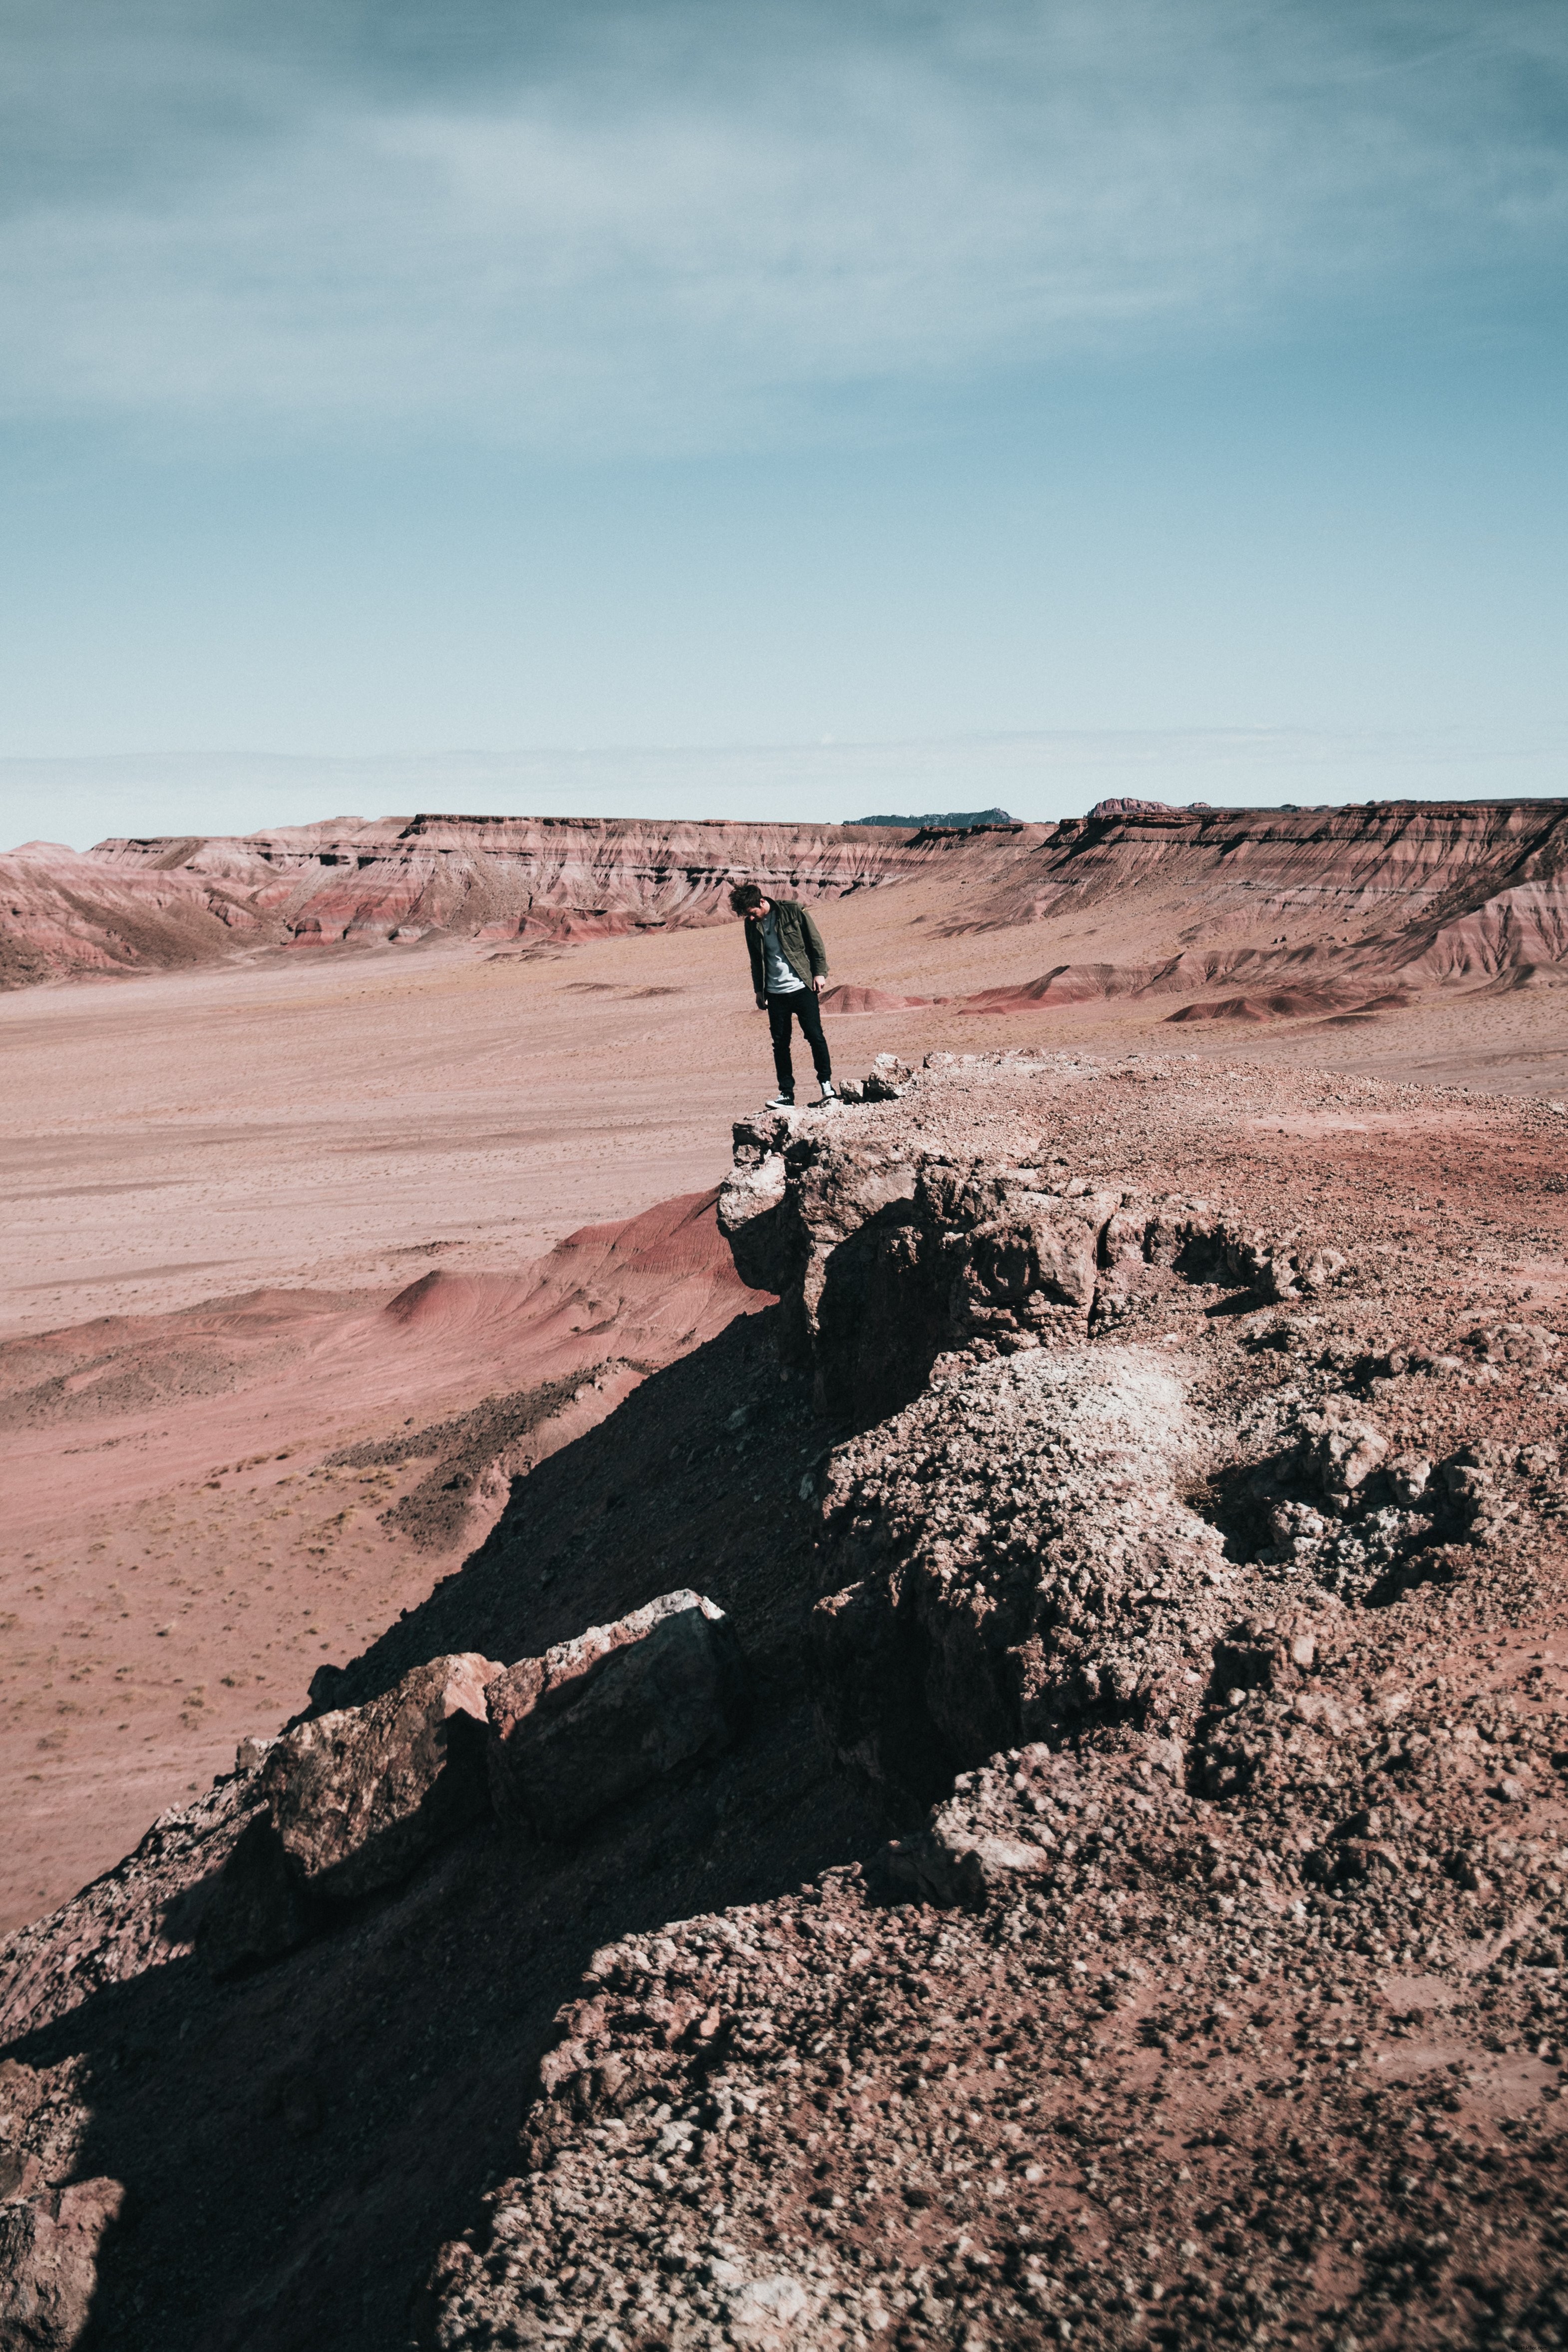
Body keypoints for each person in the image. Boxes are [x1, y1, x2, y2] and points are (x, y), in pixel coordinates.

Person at [728, 881, 838, 1109]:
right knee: (780, 1044)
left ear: (761, 902)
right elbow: (755, 960)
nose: (750, 918)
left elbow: (815, 942)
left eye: (752, 913)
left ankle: (827, 1085)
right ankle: (786, 1094)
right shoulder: (751, 925)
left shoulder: (792, 911)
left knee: (815, 1037)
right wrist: (759, 990)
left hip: (802, 987)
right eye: (746, 916)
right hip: (775, 993)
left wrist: (819, 973)